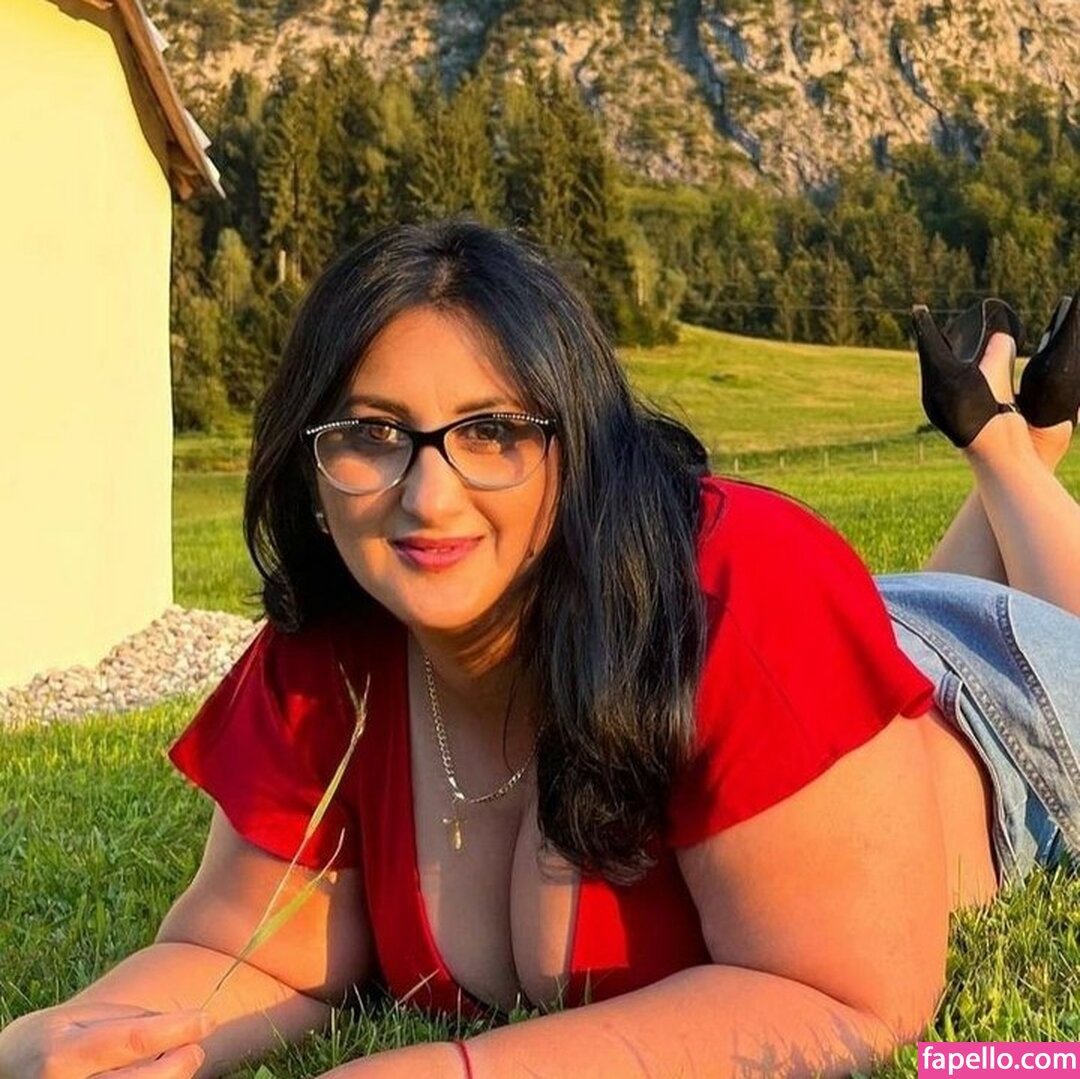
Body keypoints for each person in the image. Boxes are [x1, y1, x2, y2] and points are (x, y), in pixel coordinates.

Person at [2, 219, 1079, 1079]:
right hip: (824, 651)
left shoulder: (748, 580)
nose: (428, 497)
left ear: (579, 442)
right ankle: (1014, 440)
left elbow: (853, 1000)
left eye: (492, 430)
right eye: (373, 433)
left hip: (1002, 702)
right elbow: (236, 953)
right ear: (310, 458)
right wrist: (67, 1035)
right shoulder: (329, 654)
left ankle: (1002, 442)